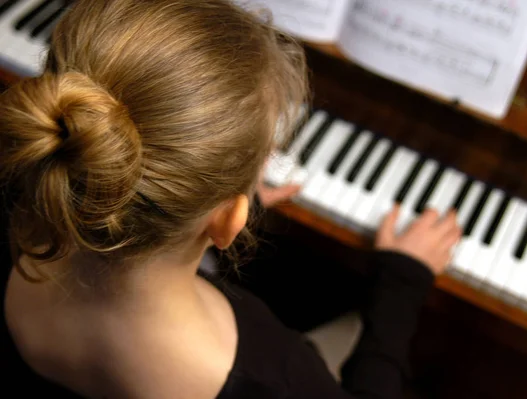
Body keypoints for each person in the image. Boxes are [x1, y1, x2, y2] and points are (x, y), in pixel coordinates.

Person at [0, 0, 461, 397]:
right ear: (227, 221)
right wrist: (403, 281)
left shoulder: (31, 195)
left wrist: (203, 193)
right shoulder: (268, 378)